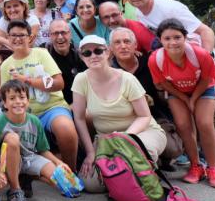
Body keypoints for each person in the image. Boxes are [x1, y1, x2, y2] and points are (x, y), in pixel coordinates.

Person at [71, 35, 167, 191]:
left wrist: (125, 139)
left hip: (140, 132)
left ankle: (141, 172)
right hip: (107, 138)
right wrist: (90, 152)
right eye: (87, 53)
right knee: (91, 184)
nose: (93, 56)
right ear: (82, 57)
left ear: (108, 52)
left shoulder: (127, 79)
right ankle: (130, 176)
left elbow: (144, 116)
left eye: (98, 51)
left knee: (131, 155)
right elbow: (79, 118)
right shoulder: (81, 80)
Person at [148, 19, 215, 188]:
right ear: (160, 40)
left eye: (177, 37)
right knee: (183, 125)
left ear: (185, 37)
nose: (173, 42)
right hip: (177, 92)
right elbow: (162, 83)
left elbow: (206, 79)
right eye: (167, 38)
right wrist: (185, 99)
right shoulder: (156, 59)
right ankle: (195, 166)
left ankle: (213, 168)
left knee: (204, 123)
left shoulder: (200, 54)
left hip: (203, 88)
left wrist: (194, 98)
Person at [0, 80, 74, 201]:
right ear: (5, 102)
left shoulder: (34, 121)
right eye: (12, 98)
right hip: (7, 162)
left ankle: (26, 177)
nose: (18, 101)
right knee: (13, 139)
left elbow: (43, 150)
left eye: (22, 97)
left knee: (59, 180)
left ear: (28, 100)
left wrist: (59, 162)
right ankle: (15, 191)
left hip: (30, 158)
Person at [0, 20, 78, 169]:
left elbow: (58, 84)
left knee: (65, 128)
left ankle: (71, 172)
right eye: (13, 35)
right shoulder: (6, 65)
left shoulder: (41, 54)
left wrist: (27, 80)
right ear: (8, 38)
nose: (17, 39)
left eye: (21, 35)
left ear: (30, 37)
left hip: (52, 107)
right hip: (24, 114)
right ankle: (23, 177)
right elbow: (6, 98)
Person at [109, 28, 180, 169]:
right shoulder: (108, 71)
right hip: (122, 120)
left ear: (135, 45)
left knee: (173, 149)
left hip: (153, 117)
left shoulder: (149, 63)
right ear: (111, 48)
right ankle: (149, 161)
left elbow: (164, 97)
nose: (123, 46)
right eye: (117, 42)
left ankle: (158, 158)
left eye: (127, 41)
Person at [122, 0, 215, 51]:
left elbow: (205, 31)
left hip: (195, 50)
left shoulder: (171, 8)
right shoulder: (138, 12)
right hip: (171, 51)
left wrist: (207, 58)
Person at [46, 20, 87, 104]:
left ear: (70, 34)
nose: (60, 37)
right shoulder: (43, 54)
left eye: (63, 32)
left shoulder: (80, 55)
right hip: (54, 105)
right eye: (55, 33)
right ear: (50, 35)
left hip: (79, 102)